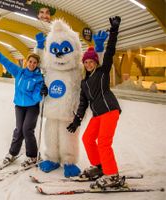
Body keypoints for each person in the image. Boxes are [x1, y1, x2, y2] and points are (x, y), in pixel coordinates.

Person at [67, 16, 123, 189]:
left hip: (109, 110)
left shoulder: (102, 72)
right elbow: (83, 104)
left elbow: (111, 51)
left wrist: (113, 31)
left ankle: (112, 174)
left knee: (104, 142)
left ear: (95, 62)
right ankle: (99, 166)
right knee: (87, 138)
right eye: (86, 62)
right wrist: (77, 120)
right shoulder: (84, 82)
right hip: (98, 114)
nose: (89, 64)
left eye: (91, 61)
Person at [0, 41, 48, 167]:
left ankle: (33, 156)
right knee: (19, 130)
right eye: (30, 62)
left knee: (27, 130)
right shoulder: (19, 72)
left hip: (32, 107)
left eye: (35, 63)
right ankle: (12, 153)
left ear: (37, 64)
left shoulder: (39, 78)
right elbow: (5, 62)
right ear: (26, 62)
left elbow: (36, 97)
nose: (32, 64)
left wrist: (41, 92)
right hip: (19, 106)